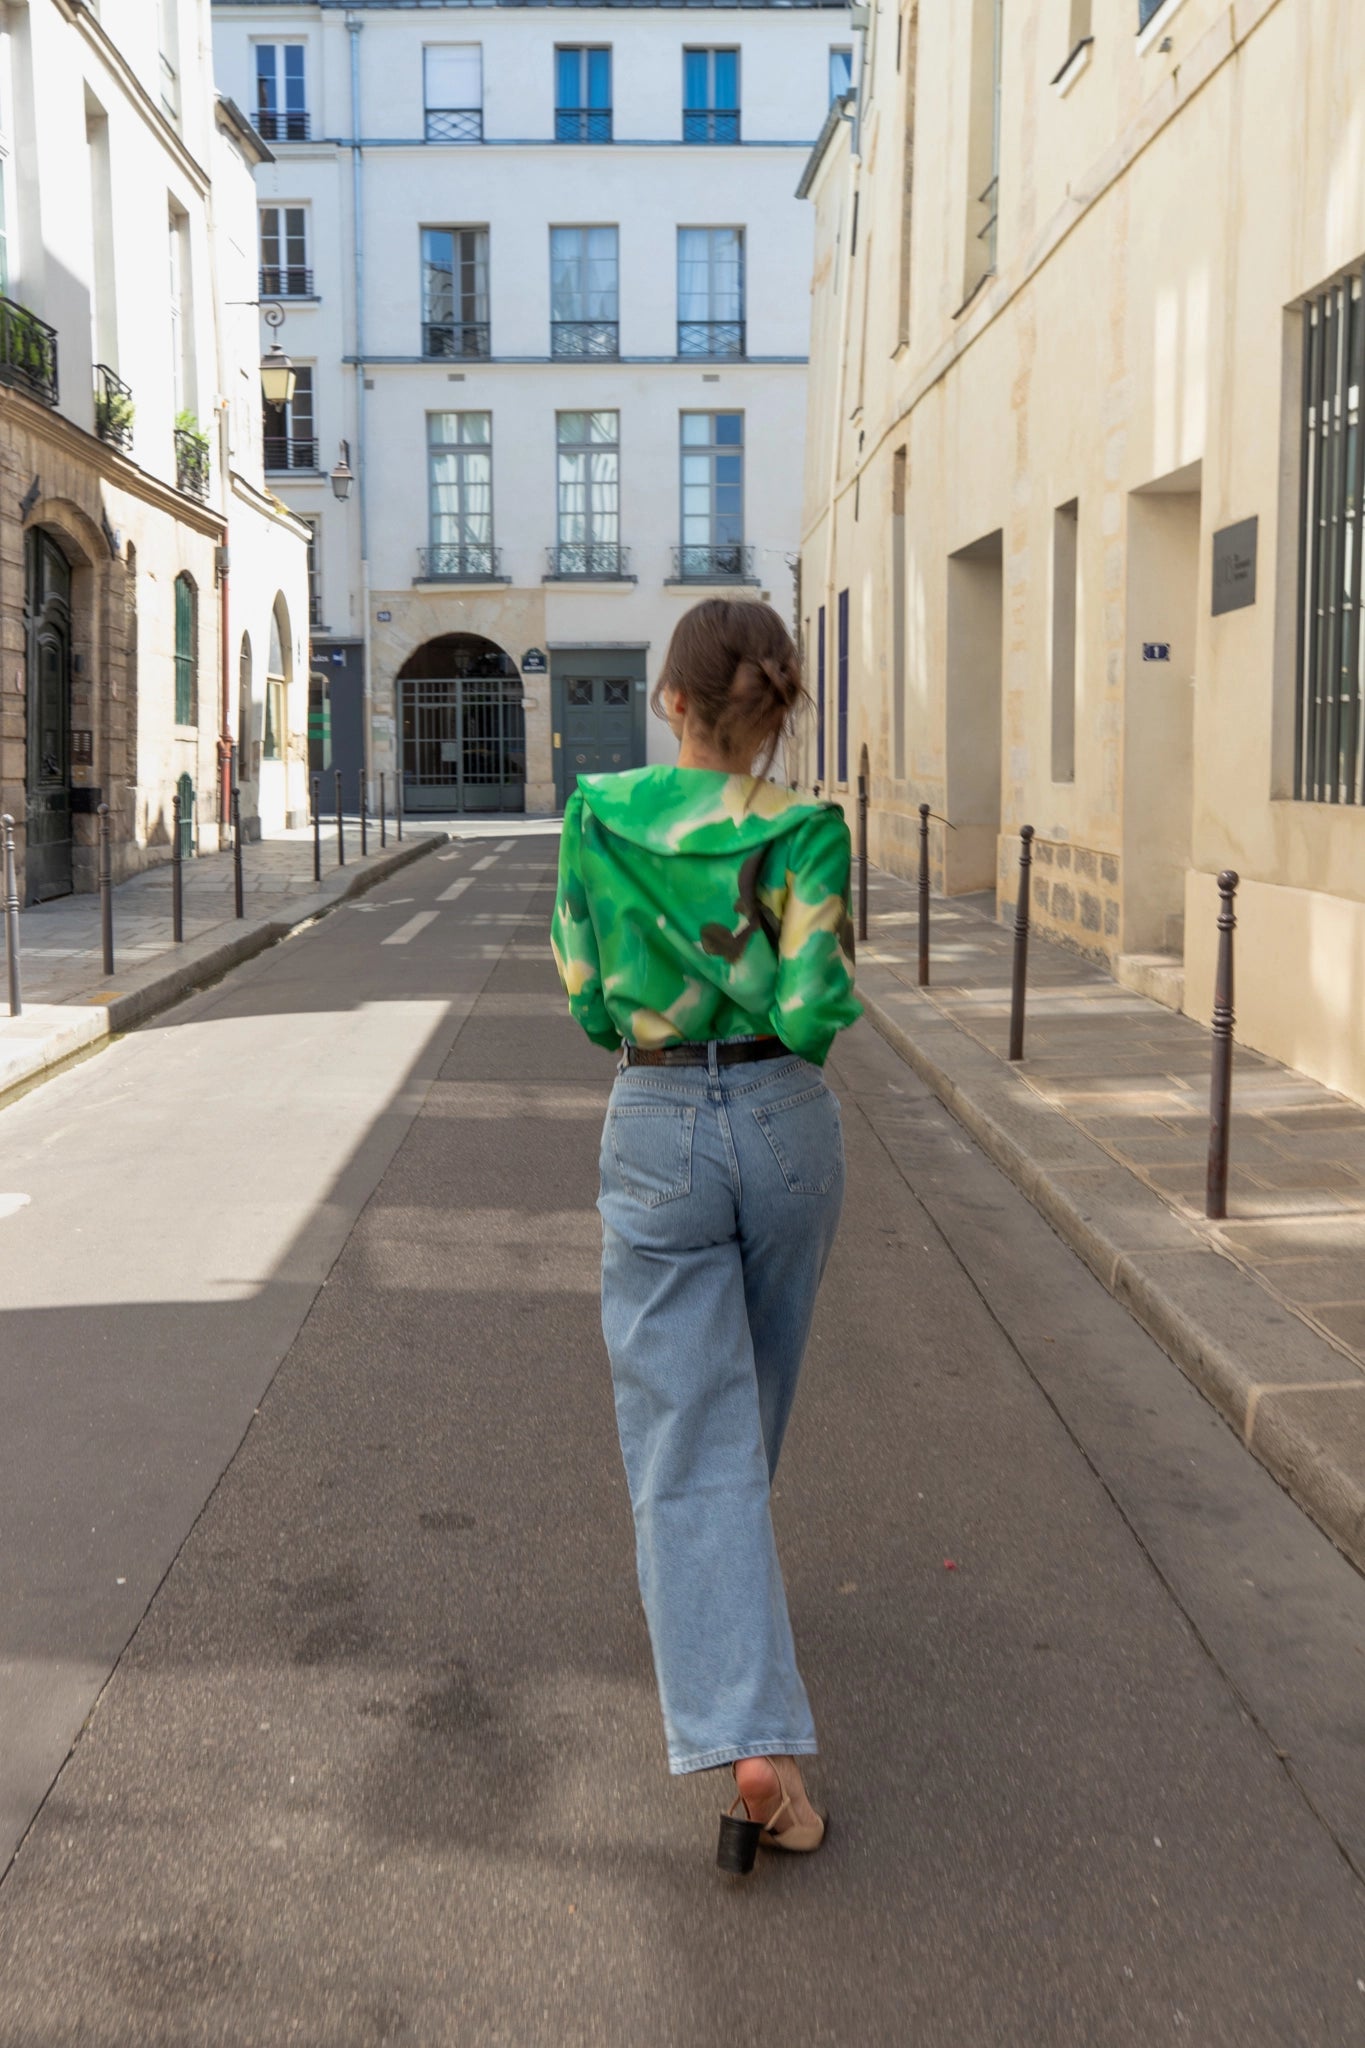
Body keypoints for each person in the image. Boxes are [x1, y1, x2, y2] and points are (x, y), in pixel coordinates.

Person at [551, 598, 862, 1874]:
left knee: (691, 1432)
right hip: (788, 1123)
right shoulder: (807, 829)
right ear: (772, 714)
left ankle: (744, 1724)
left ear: (671, 701)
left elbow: (580, 995)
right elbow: (818, 1002)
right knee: (753, 1399)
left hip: (661, 1119)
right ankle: (735, 1665)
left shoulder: (598, 817)